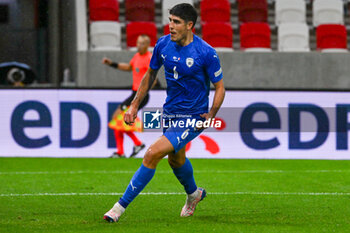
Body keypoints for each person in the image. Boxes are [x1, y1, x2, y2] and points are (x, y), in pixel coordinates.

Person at [104, 3, 225, 222]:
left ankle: (118, 208)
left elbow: (220, 87)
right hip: (169, 113)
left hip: (193, 117)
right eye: (170, 20)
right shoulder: (162, 45)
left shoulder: (206, 52)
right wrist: (133, 104)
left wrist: (211, 114)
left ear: (190, 25)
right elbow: (150, 75)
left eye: (176, 22)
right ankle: (194, 194)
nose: (171, 26)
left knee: (152, 153)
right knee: (176, 160)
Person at [102, 34, 153, 158]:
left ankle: (125, 149)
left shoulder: (149, 58)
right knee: (119, 120)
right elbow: (129, 67)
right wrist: (112, 64)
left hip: (140, 95)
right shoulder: (136, 56)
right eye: (137, 43)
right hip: (134, 93)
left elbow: (152, 77)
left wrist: (144, 92)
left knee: (118, 118)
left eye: (141, 43)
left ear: (147, 45)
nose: (138, 46)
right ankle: (134, 145)